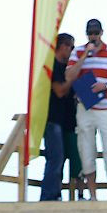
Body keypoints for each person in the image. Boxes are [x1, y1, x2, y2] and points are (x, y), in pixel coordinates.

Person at [66, 19, 107, 201]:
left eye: (96, 33)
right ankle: (92, 195)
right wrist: (85, 55)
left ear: (102, 32)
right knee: (86, 151)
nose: (93, 37)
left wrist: (106, 85)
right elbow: (69, 75)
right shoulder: (78, 52)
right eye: (90, 33)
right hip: (85, 108)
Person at [40, 33, 78, 201]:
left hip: (65, 122)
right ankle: (49, 195)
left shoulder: (65, 67)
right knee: (55, 159)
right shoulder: (53, 65)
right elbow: (60, 91)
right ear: (63, 46)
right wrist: (71, 78)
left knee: (64, 159)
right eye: (71, 47)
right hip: (52, 119)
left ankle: (57, 193)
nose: (72, 51)